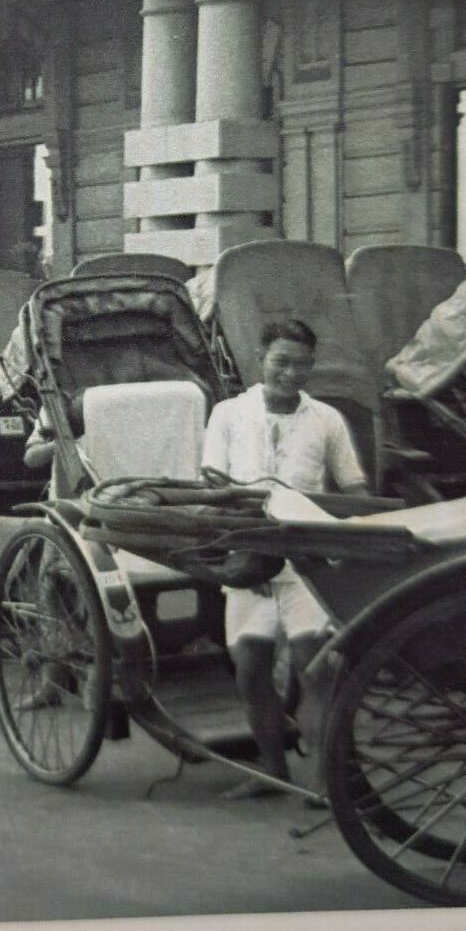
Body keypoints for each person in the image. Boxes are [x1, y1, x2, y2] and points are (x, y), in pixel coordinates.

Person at [200, 318, 368, 799]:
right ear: (260, 359)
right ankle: (273, 772)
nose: (291, 373)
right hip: (249, 559)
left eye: (303, 364)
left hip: (309, 566)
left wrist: (348, 525)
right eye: (282, 362)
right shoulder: (228, 414)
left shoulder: (326, 420)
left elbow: (354, 487)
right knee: (250, 668)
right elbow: (212, 486)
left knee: (313, 668)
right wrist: (247, 545)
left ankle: (323, 781)